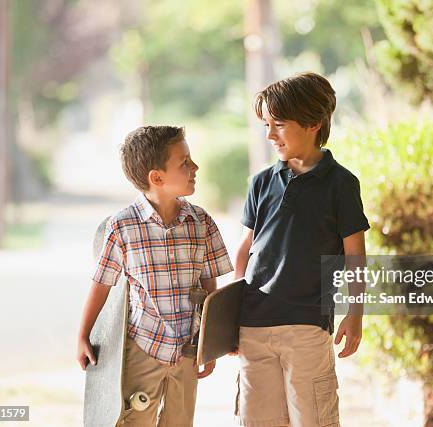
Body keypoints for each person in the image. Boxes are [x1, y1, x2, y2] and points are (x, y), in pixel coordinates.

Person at [234, 72, 370, 427]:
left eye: (278, 124)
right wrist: (230, 313)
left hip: (308, 328)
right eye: (266, 124)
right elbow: (246, 249)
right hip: (254, 327)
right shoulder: (261, 182)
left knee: (315, 420)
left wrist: (356, 312)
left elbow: (355, 254)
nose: (269, 134)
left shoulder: (342, 184)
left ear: (313, 123)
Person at [77, 125, 233, 426]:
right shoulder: (122, 227)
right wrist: (83, 335)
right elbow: (101, 284)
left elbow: (210, 287)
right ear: (157, 177)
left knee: (180, 422)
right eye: (184, 163)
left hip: (187, 351)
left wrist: (209, 341)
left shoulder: (202, 223)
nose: (195, 167)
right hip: (142, 348)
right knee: (136, 420)